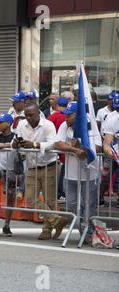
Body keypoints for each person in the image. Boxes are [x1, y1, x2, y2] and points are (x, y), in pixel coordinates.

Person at [13, 103, 68, 240]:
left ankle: (46, 230)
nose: (28, 117)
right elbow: (16, 139)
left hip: (49, 165)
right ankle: (57, 220)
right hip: (32, 165)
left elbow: (53, 143)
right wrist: (15, 143)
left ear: (38, 113)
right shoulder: (22, 125)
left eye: (31, 115)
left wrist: (35, 145)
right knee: (31, 199)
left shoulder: (48, 125)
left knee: (50, 200)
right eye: (26, 115)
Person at [54, 102, 102, 243]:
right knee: (71, 205)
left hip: (89, 173)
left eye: (69, 115)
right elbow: (57, 143)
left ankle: (86, 232)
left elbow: (98, 148)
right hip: (70, 174)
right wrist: (74, 149)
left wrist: (82, 144)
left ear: (79, 115)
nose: (66, 118)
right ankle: (80, 226)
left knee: (88, 205)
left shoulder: (91, 125)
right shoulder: (65, 126)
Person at [47, 97, 69, 202]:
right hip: (62, 146)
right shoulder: (67, 117)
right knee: (63, 172)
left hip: (52, 146)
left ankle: (58, 192)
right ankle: (61, 192)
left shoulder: (52, 116)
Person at [102, 93, 119, 209]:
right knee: (107, 176)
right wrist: (110, 152)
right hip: (117, 157)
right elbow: (106, 143)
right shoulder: (112, 120)